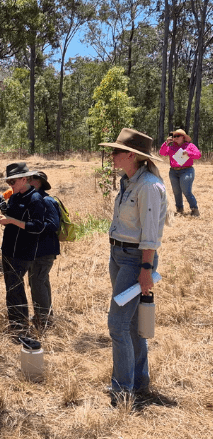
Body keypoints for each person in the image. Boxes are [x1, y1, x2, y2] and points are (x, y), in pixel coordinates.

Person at [99, 129, 168, 399]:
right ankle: (138, 382)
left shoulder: (148, 186)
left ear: (132, 155)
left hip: (136, 259)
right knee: (129, 324)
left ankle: (123, 389)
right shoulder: (128, 182)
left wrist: (146, 269)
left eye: (116, 151)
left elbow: (151, 234)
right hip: (118, 256)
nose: (112, 155)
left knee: (117, 324)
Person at [0, 162, 45, 334]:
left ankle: (21, 327)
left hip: (23, 252)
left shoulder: (35, 199)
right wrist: (3, 218)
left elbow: (37, 227)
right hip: (7, 249)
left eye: (12, 182)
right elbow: (12, 220)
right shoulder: (14, 197)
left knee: (16, 288)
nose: (9, 186)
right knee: (10, 287)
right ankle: (14, 324)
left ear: (24, 179)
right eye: (8, 183)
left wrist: (11, 221)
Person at [28, 171, 60, 328]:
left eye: (30, 178)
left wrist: (36, 226)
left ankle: (43, 322)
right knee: (40, 282)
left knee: (38, 283)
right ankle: (46, 318)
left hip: (44, 250)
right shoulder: (34, 199)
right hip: (36, 250)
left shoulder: (46, 200)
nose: (26, 181)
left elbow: (54, 224)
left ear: (38, 182)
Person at [159, 129, 201, 216]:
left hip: (186, 170)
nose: (175, 137)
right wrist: (166, 143)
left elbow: (198, 155)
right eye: (174, 136)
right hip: (173, 171)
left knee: (186, 190)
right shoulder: (171, 147)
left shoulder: (190, 146)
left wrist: (188, 153)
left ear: (183, 137)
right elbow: (162, 153)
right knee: (176, 191)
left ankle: (194, 209)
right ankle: (179, 209)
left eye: (178, 136)